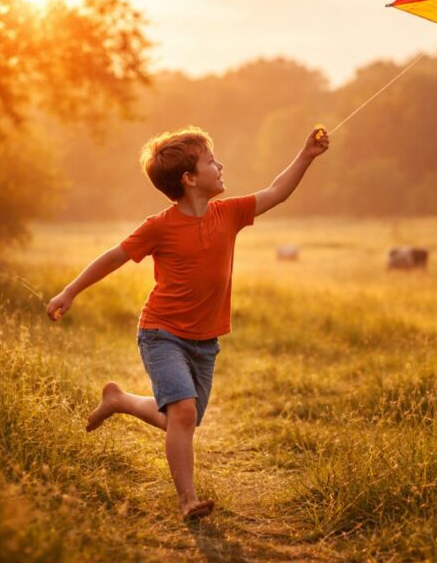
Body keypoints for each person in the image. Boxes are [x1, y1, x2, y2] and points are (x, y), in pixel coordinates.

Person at [45, 125, 329, 521]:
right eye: (211, 161)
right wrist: (70, 291)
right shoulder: (159, 226)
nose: (220, 165)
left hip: (205, 341)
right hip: (161, 333)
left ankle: (120, 400)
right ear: (189, 179)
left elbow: (276, 191)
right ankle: (187, 501)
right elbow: (115, 256)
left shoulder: (229, 213)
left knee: (181, 419)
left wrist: (306, 155)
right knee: (182, 414)